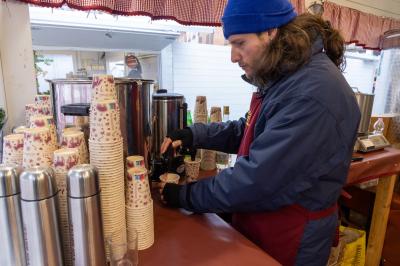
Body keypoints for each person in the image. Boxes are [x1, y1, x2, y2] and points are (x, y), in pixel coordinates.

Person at [158, 0, 361, 265]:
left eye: (239, 43)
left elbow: (257, 181)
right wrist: (194, 134)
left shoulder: (313, 92)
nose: (232, 56)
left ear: (270, 32)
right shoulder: (288, 75)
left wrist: (185, 195)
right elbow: (249, 129)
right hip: (266, 222)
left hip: (293, 235)